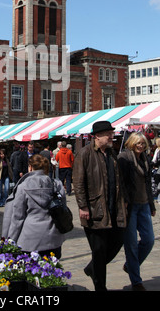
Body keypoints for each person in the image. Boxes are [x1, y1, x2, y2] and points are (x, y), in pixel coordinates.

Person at [73, 121, 127, 291]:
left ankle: (91, 268)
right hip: (95, 209)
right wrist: (83, 206)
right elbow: (79, 182)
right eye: (108, 134)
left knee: (118, 241)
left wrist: (124, 200)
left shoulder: (111, 153)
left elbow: (118, 180)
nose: (112, 136)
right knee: (99, 250)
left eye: (112, 133)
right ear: (97, 136)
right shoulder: (85, 154)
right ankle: (100, 287)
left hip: (113, 208)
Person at [2, 154, 66, 259]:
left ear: (30, 167)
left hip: (29, 239)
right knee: (52, 272)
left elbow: (18, 218)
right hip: (53, 238)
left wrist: (10, 241)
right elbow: (62, 209)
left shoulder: (23, 187)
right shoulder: (56, 185)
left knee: (32, 272)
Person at [118, 132, 156, 291]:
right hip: (131, 206)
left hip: (144, 204)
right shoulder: (124, 158)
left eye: (143, 143)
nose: (141, 146)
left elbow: (147, 183)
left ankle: (130, 265)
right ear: (132, 143)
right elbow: (121, 182)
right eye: (138, 143)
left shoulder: (145, 159)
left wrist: (152, 204)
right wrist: (124, 201)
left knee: (149, 240)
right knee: (131, 244)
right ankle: (136, 281)